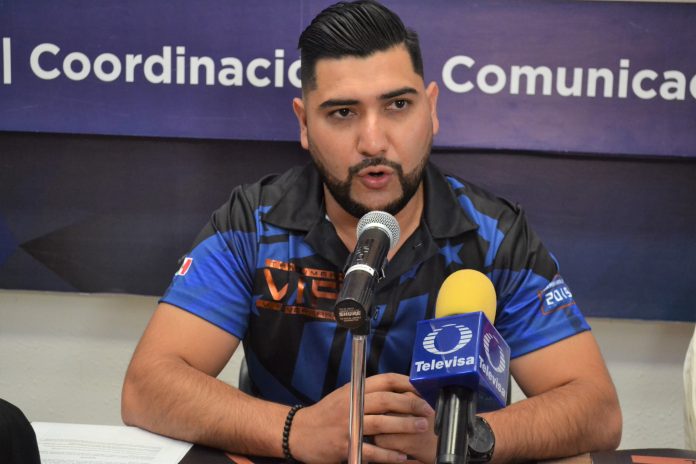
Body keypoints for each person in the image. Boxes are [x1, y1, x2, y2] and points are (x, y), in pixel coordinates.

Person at [122, 1, 622, 462]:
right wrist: (295, 430)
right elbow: (147, 387)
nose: (373, 141)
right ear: (304, 123)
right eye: (343, 113)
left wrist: (461, 439)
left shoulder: (495, 236)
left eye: (398, 106)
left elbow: (596, 409)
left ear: (432, 109)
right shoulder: (252, 223)